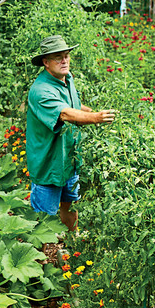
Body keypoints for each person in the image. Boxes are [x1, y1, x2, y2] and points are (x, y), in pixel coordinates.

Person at [24, 35, 116, 234]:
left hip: (69, 159)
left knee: (70, 205)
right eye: (58, 57)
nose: (64, 61)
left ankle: (72, 244)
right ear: (46, 62)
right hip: (49, 164)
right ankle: (40, 252)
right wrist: (96, 118)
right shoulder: (41, 90)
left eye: (66, 56)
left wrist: (91, 112)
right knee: (44, 220)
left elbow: (72, 105)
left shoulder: (67, 79)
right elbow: (64, 113)